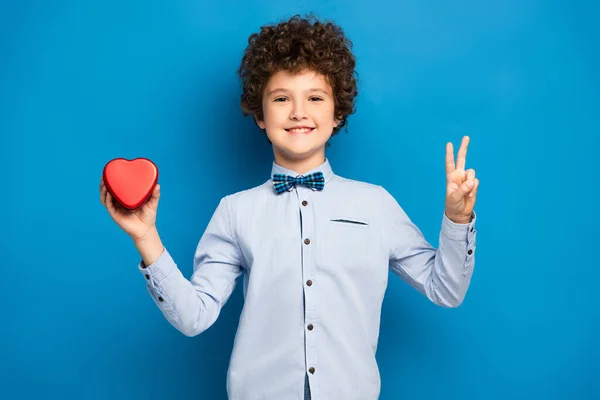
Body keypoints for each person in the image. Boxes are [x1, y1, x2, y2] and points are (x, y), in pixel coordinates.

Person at [99, 14, 479, 400]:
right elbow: (195, 316)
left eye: (315, 98)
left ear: (338, 113)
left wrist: (457, 218)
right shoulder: (235, 212)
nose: (298, 112)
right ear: (261, 116)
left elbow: (445, 289)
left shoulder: (375, 204)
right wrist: (146, 236)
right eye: (282, 99)